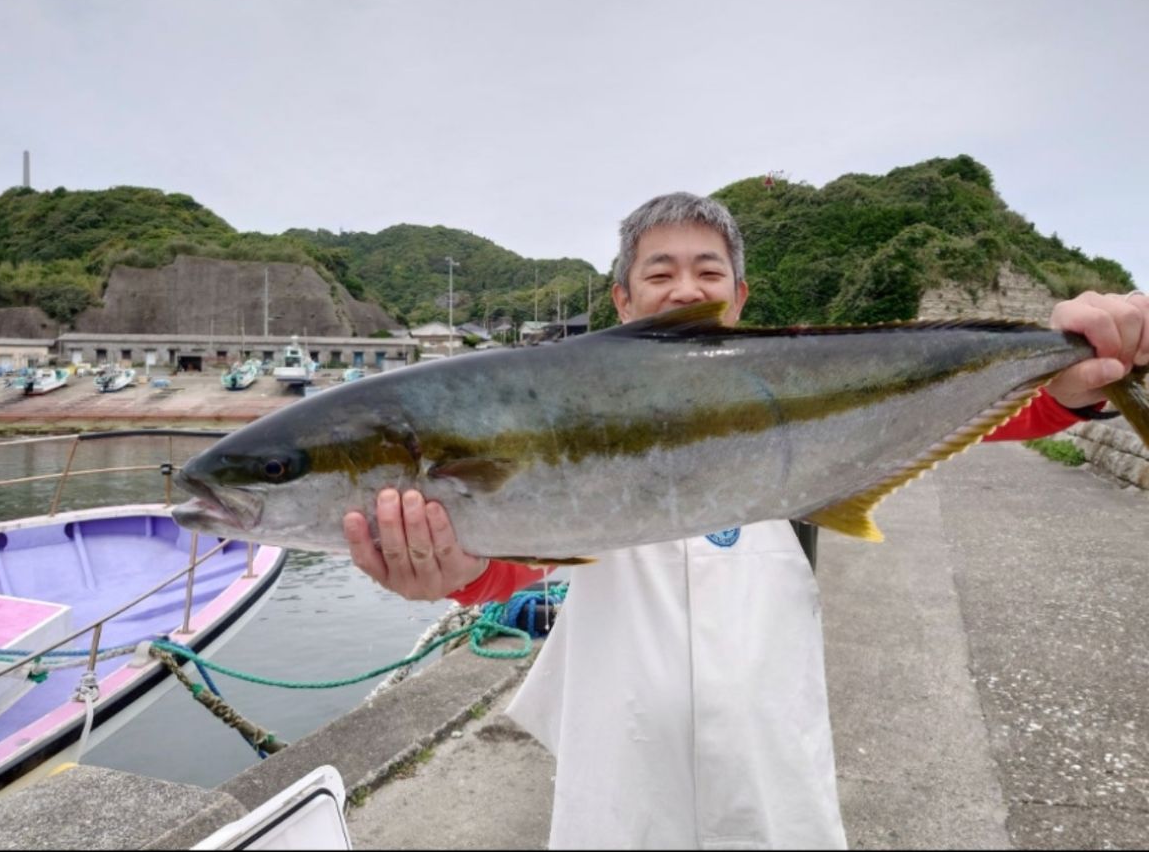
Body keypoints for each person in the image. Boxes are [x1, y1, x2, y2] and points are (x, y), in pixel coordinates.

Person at [343, 193, 1149, 849]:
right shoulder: (562, 417)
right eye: (660, 271)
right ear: (622, 297)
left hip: (774, 782)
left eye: (708, 269)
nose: (686, 287)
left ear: (740, 295)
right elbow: (510, 566)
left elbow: (976, 412)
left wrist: (1075, 381)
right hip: (620, 791)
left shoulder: (798, 392)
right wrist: (454, 572)